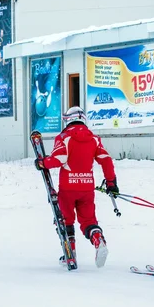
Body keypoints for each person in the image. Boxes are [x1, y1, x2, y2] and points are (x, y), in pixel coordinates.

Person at [34, 106, 118, 268]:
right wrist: (111, 182)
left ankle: (70, 253)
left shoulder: (64, 137)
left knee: (66, 220)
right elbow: (106, 160)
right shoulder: (94, 139)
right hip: (87, 187)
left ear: (67, 120)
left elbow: (59, 158)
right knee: (88, 220)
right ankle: (98, 239)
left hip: (68, 188)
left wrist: (42, 163)